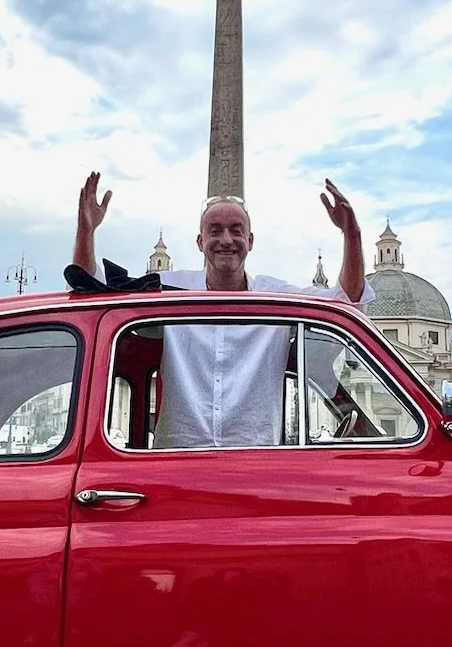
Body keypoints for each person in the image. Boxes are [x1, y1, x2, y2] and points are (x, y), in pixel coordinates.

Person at [72, 173, 373, 449]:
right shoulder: (167, 291)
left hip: (254, 461)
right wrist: (85, 230)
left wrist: (352, 235)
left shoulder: (277, 298)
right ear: (200, 241)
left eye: (236, 231)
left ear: (250, 241)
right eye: (215, 231)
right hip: (176, 460)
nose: (226, 240)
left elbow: (345, 303)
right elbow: (90, 292)